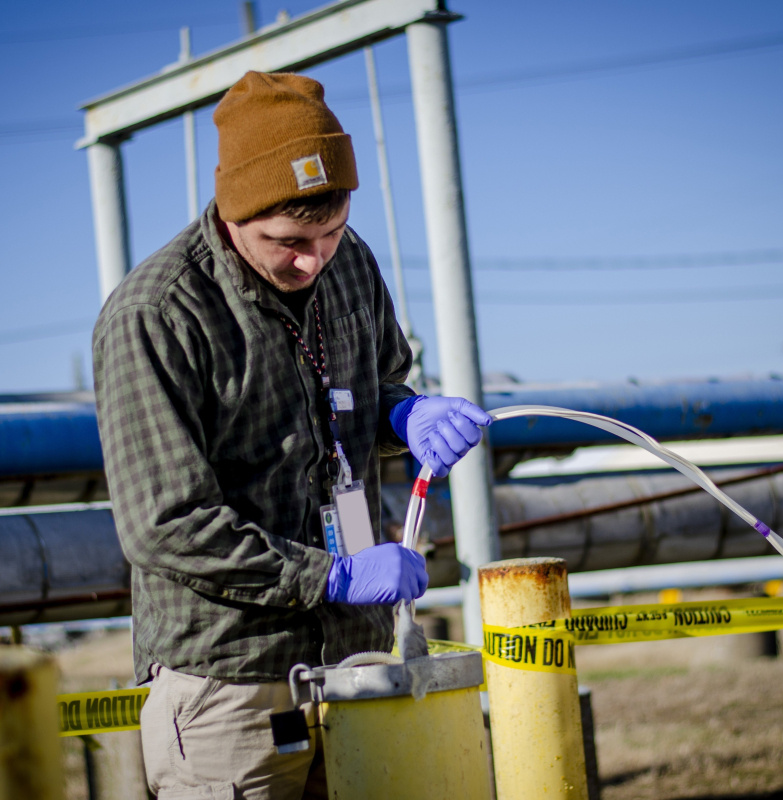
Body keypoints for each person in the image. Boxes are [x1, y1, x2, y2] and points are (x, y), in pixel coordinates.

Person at [92, 70, 491, 799]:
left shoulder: (350, 265)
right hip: (234, 685)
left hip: (356, 662)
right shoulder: (156, 316)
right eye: (286, 242)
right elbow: (167, 525)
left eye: (330, 234)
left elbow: (380, 384)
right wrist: (330, 575)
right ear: (232, 212)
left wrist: (404, 414)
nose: (313, 261)